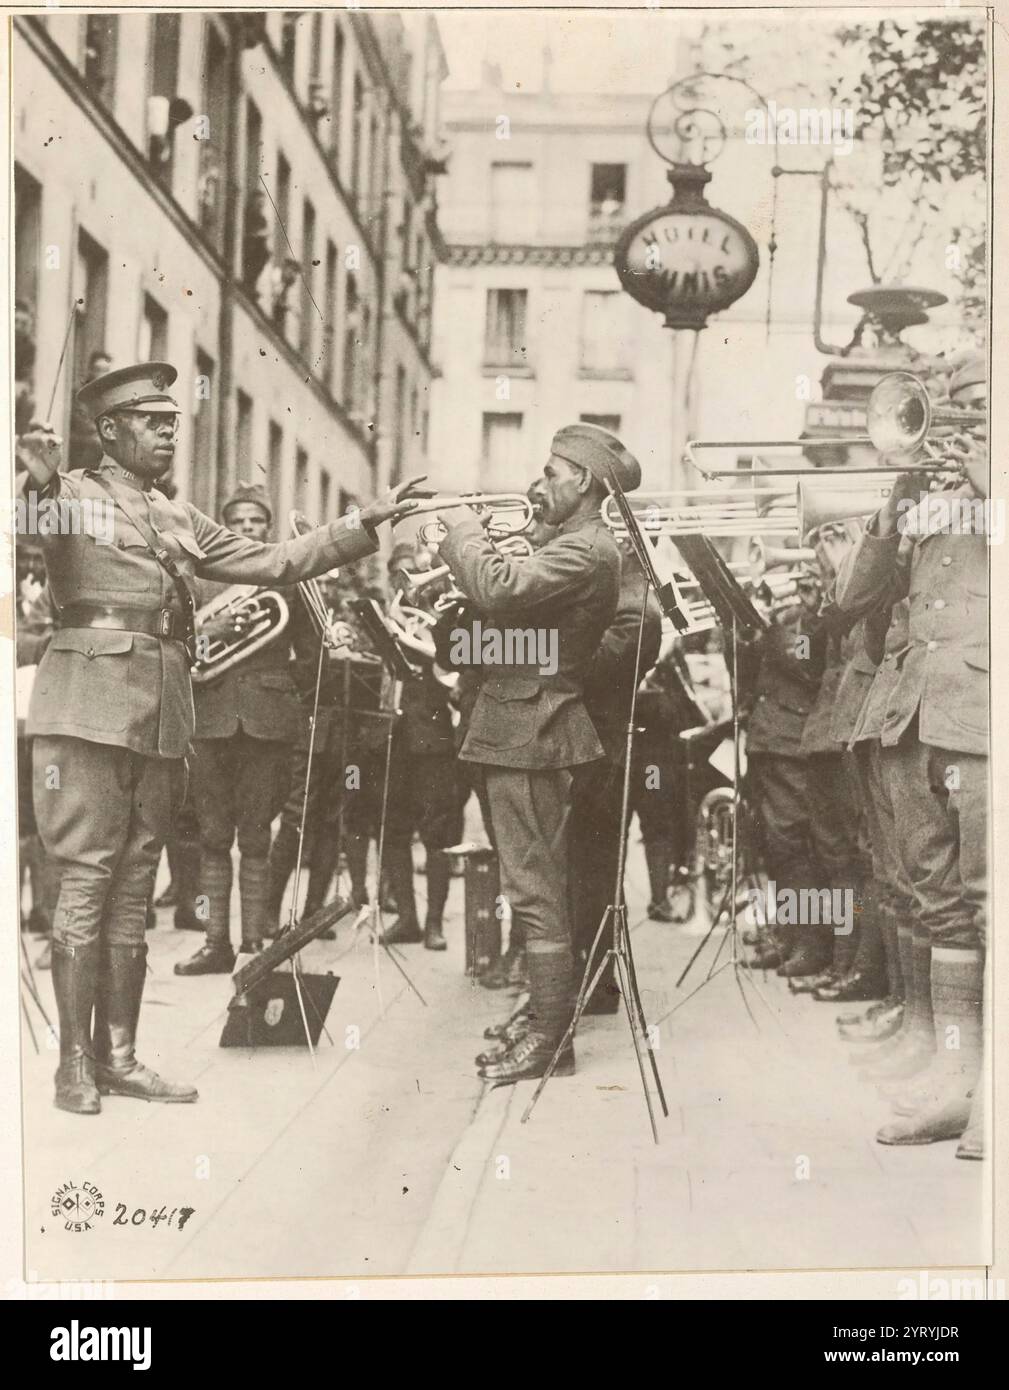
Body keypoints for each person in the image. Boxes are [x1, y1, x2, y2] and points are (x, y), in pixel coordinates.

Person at [17, 361, 422, 1116]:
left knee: (134, 886)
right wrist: (35, 480)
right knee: (84, 882)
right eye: (151, 419)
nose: (170, 430)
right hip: (85, 708)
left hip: (162, 711)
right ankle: (75, 1064)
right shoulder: (69, 495)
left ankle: (124, 1058)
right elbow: (34, 528)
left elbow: (273, 563)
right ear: (108, 430)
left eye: (173, 419)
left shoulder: (177, 515)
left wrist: (364, 523)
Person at [438, 423, 629, 1083]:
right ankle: (545, 1022)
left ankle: (552, 1041)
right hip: (514, 723)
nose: (539, 482)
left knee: (534, 888)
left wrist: (463, 531)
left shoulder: (589, 550)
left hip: (532, 727)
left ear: (582, 479)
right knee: (532, 885)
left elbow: (498, 589)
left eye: (551, 473)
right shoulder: (567, 541)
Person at [834, 354, 988, 1159]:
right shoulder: (930, 501)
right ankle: (955, 1085)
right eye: (953, 408)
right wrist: (892, 507)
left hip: (984, 719)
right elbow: (850, 601)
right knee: (937, 904)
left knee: (992, 902)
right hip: (915, 719)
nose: (959, 422)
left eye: (979, 405)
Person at [175, 484, 311, 974]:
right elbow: (182, 641)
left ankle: (254, 945)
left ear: (267, 528)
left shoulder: (288, 582)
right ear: (223, 530)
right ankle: (216, 943)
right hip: (210, 719)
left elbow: (312, 653)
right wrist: (212, 633)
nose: (249, 529)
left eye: (257, 522)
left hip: (269, 720)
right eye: (239, 522)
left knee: (255, 834)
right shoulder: (202, 582)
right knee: (213, 835)